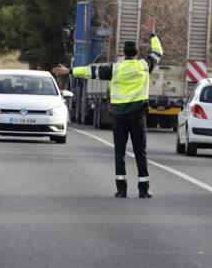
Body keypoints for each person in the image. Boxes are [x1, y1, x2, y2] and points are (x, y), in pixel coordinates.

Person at [52, 16, 162, 199]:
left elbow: (90, 71)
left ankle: (121, 189)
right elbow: (158, 51)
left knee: (120, 152)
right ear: (136, 53)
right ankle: (144, 189)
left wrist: (70, 71)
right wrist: (152, 34)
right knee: (140, 152)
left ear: (124, 54)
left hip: (118, 116)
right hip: (137, 116)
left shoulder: (115, 69)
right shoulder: (144, 66)